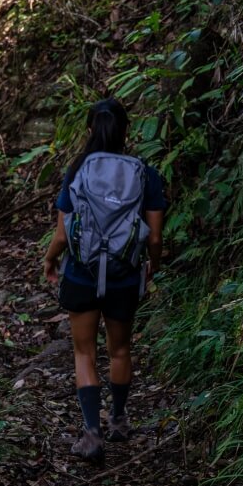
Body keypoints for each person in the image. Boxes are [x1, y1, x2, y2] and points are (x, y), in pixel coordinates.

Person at [42, 98, 166, 462]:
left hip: (82, 274)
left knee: (84, 353)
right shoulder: (145, 172)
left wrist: (50, 260)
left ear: (89, 130)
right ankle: (119, 419)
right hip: (124, 276)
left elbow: (63, 235)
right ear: (127, 130)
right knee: (120, 349)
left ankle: (92, 434)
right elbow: (155, 238)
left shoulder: (78, 169)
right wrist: (151, 267)